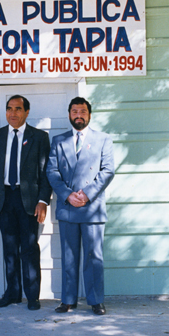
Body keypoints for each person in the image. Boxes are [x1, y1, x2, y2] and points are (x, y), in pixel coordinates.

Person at [46, 97, 115, 315]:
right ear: (69, 115)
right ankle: (68, 300)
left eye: (82, 111)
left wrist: (86, 194)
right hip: (68, 207)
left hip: (92, 207)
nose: (79, 115)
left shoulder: (103, 139)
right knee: (69, 256)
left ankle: (96, 301)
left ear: (89, 115)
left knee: (94, 257)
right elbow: (52, 171)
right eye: (74, 111)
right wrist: (68, 195)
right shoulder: (59, 140)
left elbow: (108, 171)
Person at [0, 95, 52, 311]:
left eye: (18, 109)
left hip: (29, 199)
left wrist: (43, 201)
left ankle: (32, 296)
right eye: (9, 109)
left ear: (27, 112)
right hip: (4, 198)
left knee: (29, 248)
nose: (13, 113)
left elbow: (46, 172)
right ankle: (12, 293)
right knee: (9, 248)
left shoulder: (39, 137)